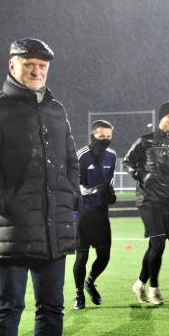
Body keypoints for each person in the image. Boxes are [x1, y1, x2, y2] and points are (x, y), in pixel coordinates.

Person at [0, 38, 81, 336]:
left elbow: (70, 160)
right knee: (10, 307)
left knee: (52, 308)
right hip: (14, 227)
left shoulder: (56, 110)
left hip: (53, 227)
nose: (36, 71)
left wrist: (70, 194)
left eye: (42, 66)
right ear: (13, 66)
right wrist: (7, 205)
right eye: (29, 64)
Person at [123, 101, 169, 306]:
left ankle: (139, 283)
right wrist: (141, 175)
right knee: (158, 242)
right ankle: (154, 288)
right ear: (161, 119)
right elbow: (127, 162)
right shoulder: (145, 141)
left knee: (156, 245)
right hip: (148, 198)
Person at [73, 120, 117, 310]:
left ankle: (89, 282)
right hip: (83, 214)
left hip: (101, 215)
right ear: (93, 136)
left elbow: (110, 181)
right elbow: (75, 186)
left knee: (104, 256)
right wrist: (96, 190)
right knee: (81, 257)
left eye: (108, 137)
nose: (105, 140)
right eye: (101, 136)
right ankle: (79, 295)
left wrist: (110, 193)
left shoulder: (112, 156)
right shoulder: (81, 156)